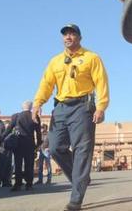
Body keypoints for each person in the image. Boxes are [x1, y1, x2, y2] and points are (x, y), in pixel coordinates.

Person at [32, 24, 110, 211]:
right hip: (60, 108)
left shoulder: (91, 57)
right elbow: (46, 84)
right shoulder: (55, 61)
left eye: (72, 34)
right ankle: (80, 178)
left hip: (82, 107)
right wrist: (37, 103)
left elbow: (101, 83)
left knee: (82, 149)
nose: (68, 37)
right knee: (56, 147)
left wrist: (101, 107)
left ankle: (76, 199)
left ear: (79, 37)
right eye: (65, 34)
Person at [2, 101, 41, 191]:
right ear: (31, 107)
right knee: (29, 164)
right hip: (30, 144)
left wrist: (1, 138)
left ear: (22, 107)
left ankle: (18, 184)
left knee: (18, 164)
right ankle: (29, 184)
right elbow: (38, 132)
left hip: (18, 144)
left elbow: (9, 129)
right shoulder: (35, 116)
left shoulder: (16, 116)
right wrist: (38, 144)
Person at [0, 119, 13, 188]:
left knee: (8, 167)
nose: (7, 127)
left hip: (9, 150)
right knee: (1, 167)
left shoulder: (11, 133)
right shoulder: (2, 133)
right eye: (6, 126)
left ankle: (6, 182)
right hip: (2, 150)